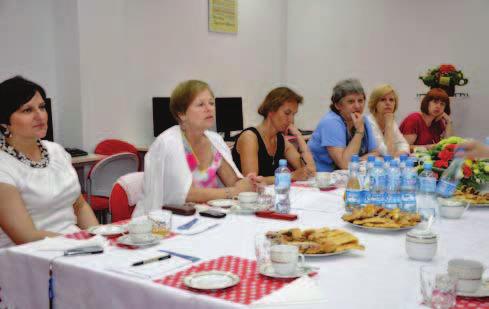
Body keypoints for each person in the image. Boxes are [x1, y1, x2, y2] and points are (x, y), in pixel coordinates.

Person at [0, 76, 98, 248]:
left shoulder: (57, 151)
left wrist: (99, 236)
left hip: (74, 245)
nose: (40, 116)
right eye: (27, 110)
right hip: (28, 256)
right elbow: (25, 236)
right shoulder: (4, 165)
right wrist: (81, 243)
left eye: (42, 107)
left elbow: (79, 205)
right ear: (4, 123)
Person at [134, 80, 254, 216]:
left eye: (211, 103)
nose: (209, 108)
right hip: (167, 222)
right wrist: (232, 192)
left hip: (207, 217)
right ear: (181, 114)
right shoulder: (169, 143)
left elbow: (233, 181)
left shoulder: (215, 140)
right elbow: (185, 194)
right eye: (200, 104)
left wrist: (249, 182)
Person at [232, 87, 316, 185]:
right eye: (287, 113)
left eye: (294, 114)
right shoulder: (250, 137)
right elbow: (251, 182)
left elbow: (310, 171)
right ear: (271, 110)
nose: (291, 120)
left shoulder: (280, 140)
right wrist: (290, 176)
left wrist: (299, 136)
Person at [308, 79, 378, 172]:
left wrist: (356, 161)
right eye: (351, 102)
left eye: (360, 100)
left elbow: (375, 153)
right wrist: (359, 132)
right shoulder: (331, 122)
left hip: (346, 175)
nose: (357, 106)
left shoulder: (363, 120)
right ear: (338, 105)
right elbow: (344, 164)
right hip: (320, 177)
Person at [366, 84, 410, 157]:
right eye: (383, 100)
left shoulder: (391, 121)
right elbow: (387, 153)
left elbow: (404, 144)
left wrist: (398, 154)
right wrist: (388, 125)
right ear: (374, 103)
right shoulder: (368, 122)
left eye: (391, 100)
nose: (388, 103)